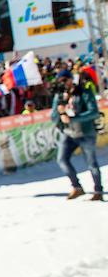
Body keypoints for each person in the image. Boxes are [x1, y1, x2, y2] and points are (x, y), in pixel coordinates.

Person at [51, 69, 103, 200]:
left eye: (65, 80)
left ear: (70, 79)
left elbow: (94, 112)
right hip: (69, 133)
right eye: (60, 81)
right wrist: (59, 110)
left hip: (86, 133)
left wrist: (74, 118)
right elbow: (53, 116)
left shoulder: (84, 92)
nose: (63, 84)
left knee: (91, 163)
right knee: (62, 159)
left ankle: (98, 191)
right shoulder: (60, 96)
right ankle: (76, 187)